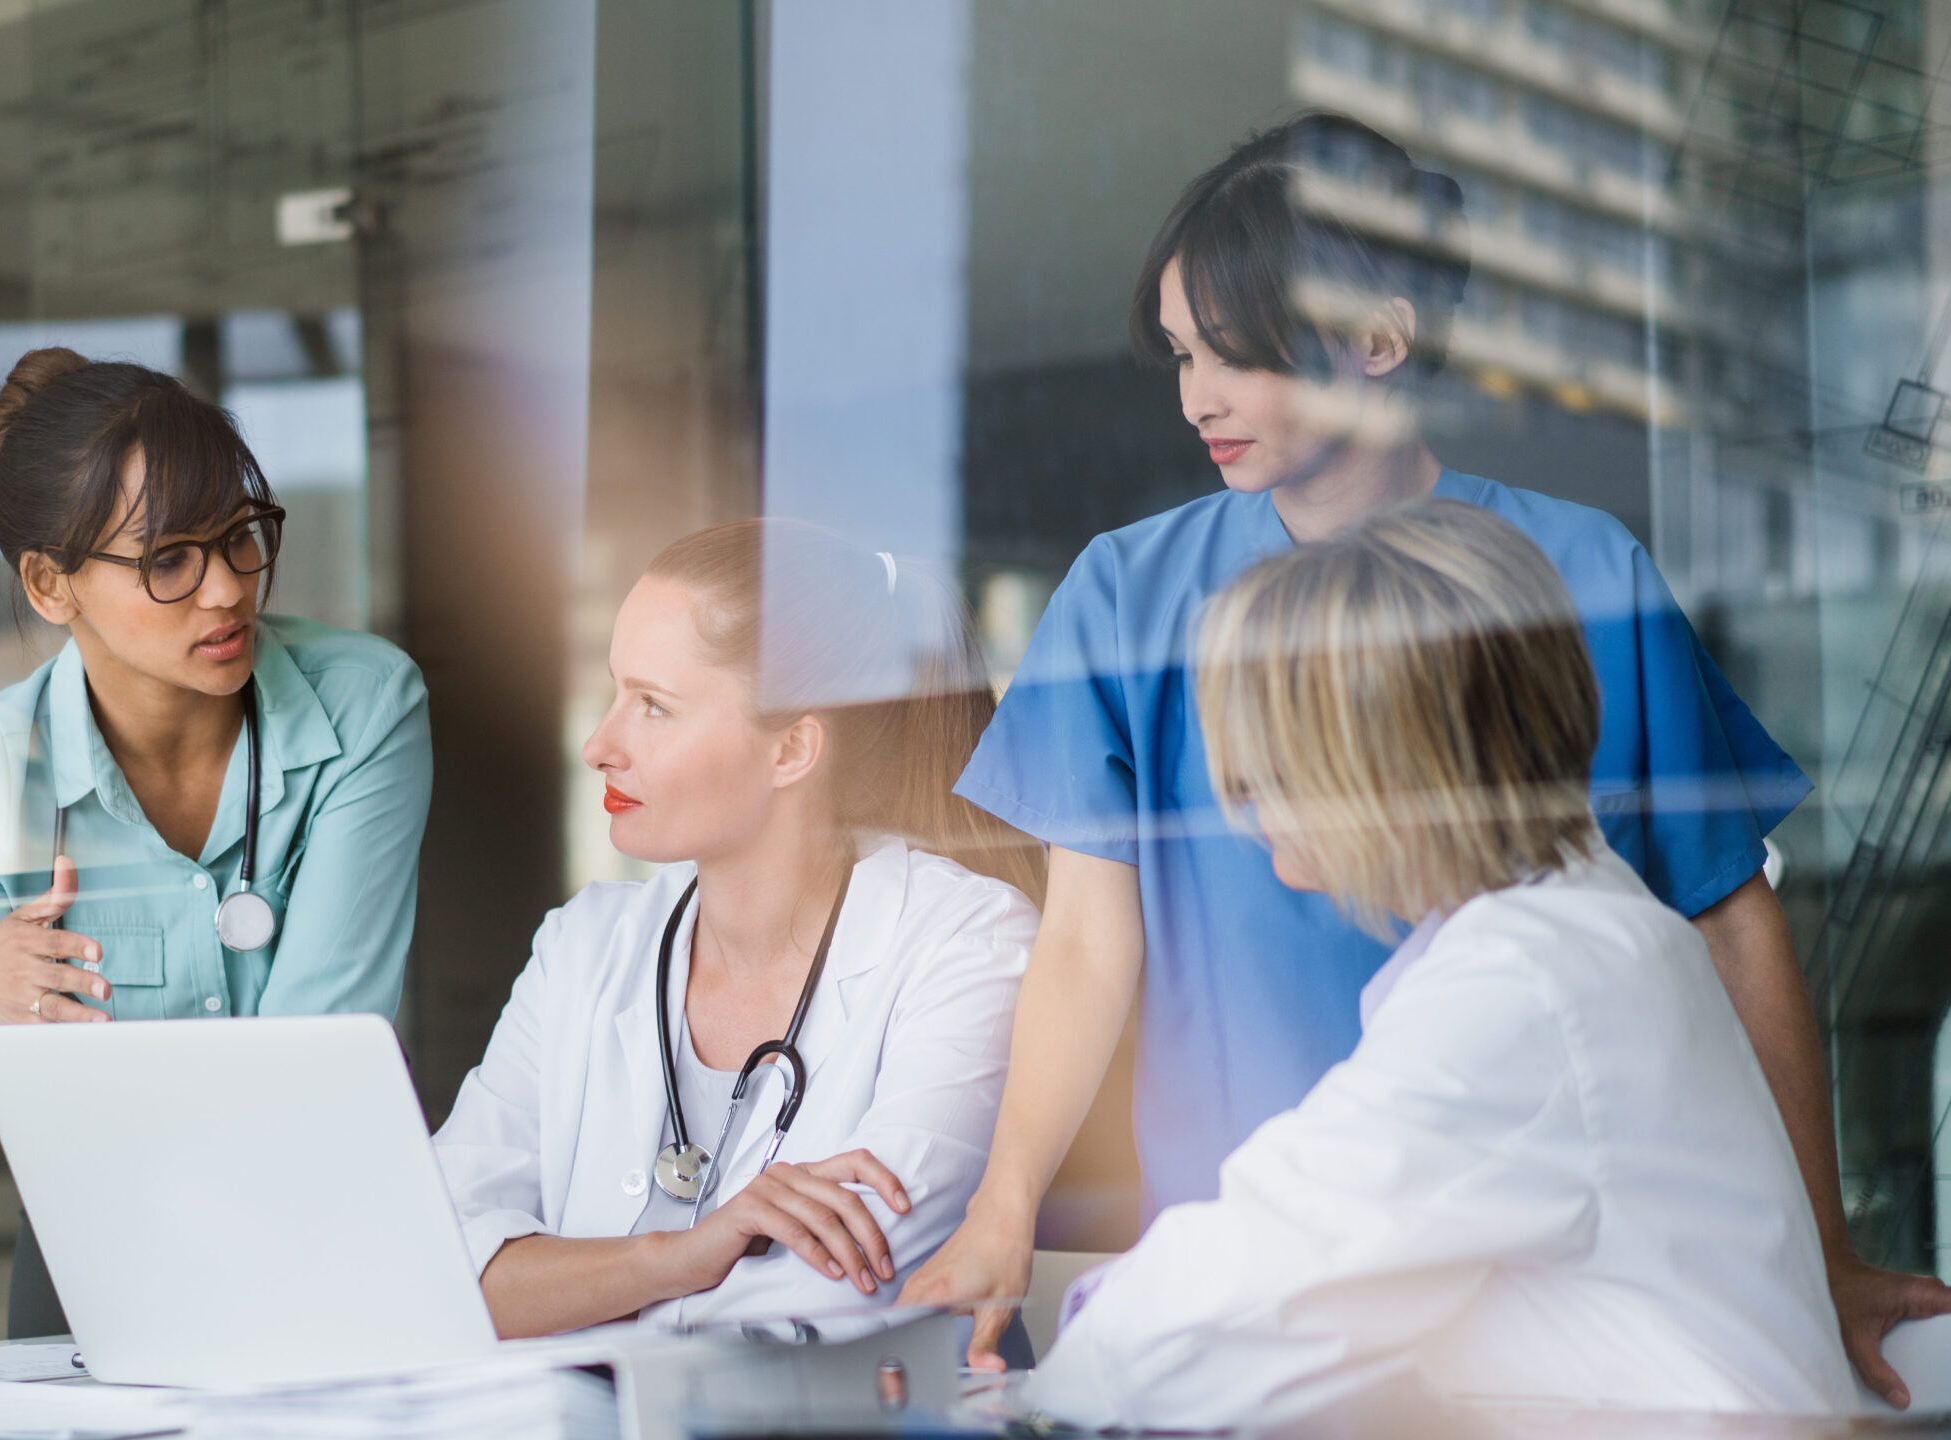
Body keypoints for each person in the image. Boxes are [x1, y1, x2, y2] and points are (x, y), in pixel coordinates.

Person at [901, 112, 1951, 1398]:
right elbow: (1081, 943)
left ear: (1378, 341)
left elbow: (1728, 921)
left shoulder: (1576, 583)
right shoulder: (1127, 596)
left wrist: (1819, 1251)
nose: (1196, 398)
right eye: (1179, 357)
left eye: (1233, 355)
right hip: (1269, 1264)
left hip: (1542, 1295)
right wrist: (1006, 1206)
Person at [1028, 501, 1858, 1426]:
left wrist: (1063, 1356)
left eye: (1269, 766)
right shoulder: (1573, 933)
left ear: (1387, 771)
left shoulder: (1521, 987)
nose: (1245, 805)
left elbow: (1194, 1325)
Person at [0, 348, 432, 1338]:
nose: (227, 590)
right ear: (50, 586)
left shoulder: (365, 705)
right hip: (89, 1261)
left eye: (238, 537)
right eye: (169, 560)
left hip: (310, 1237)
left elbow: (312, 1059)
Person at [432, 520, 1039, 1336]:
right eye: (615, 693)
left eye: (653, 706)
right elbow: (433, 1264)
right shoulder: (584, 946)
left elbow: (843, 1286)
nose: (599, 745)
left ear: (792, 749)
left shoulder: (965, 943)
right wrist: (679, 1255)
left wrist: (556, 1286)